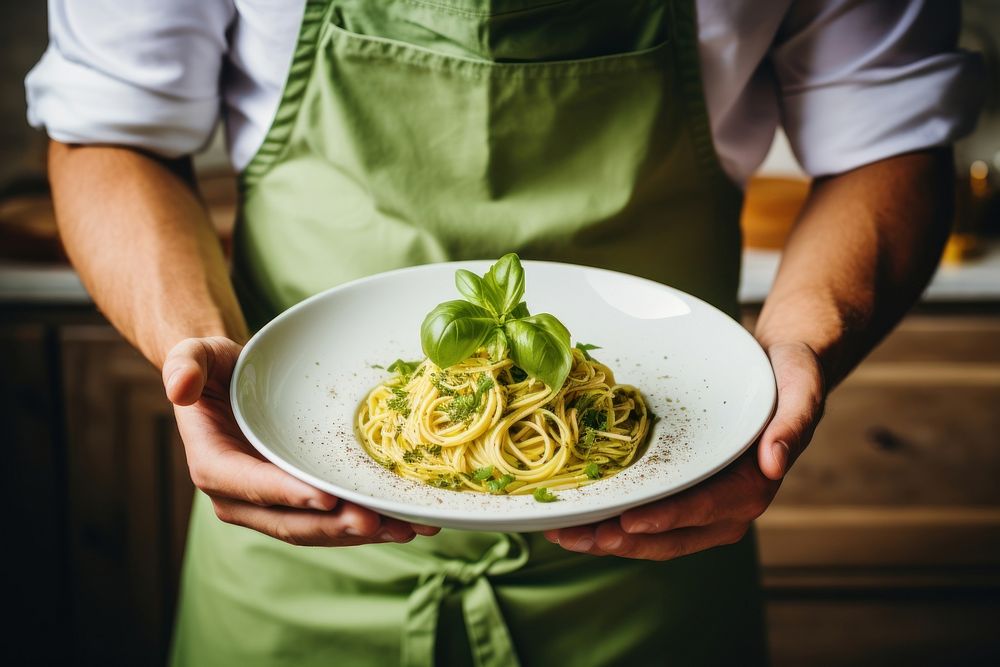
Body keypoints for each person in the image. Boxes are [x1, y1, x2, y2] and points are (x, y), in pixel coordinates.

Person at [26, 1, 982, 665]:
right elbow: (111, 128)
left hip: (664, 532)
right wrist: (197, 348)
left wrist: (799, 348)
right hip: (289, 521)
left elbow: (892, 136)